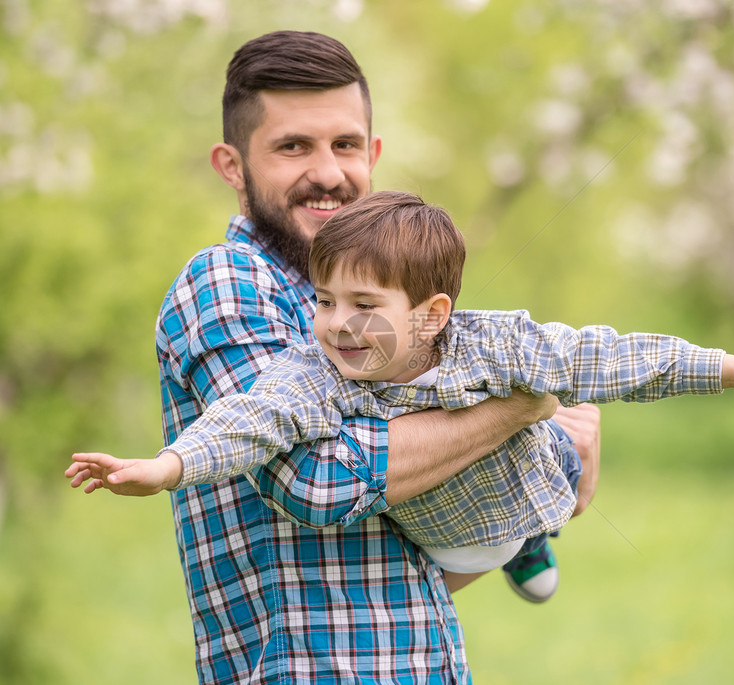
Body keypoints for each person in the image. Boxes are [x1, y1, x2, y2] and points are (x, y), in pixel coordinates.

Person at [72, 30, 601, 685]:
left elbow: (394, 571)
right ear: (232, 165)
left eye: (345, 144)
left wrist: (540, 483)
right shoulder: (228, 283)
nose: (327, 172)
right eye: (293, 146)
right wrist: (522, 405)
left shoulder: (377, 304)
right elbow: (319, 481)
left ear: (373, 153)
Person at [67, 190, 734, 580]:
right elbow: (248, 420)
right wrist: (165, 468)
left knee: (559, 407)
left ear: (431, 316)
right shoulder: (315, 375)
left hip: (530, 487)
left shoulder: (490, 344)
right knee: (487, 459)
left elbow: (615, 355)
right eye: (325, 301)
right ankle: (518, 543)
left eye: (365, 307)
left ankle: (537, 535)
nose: (337, 325)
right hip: (447, 544)